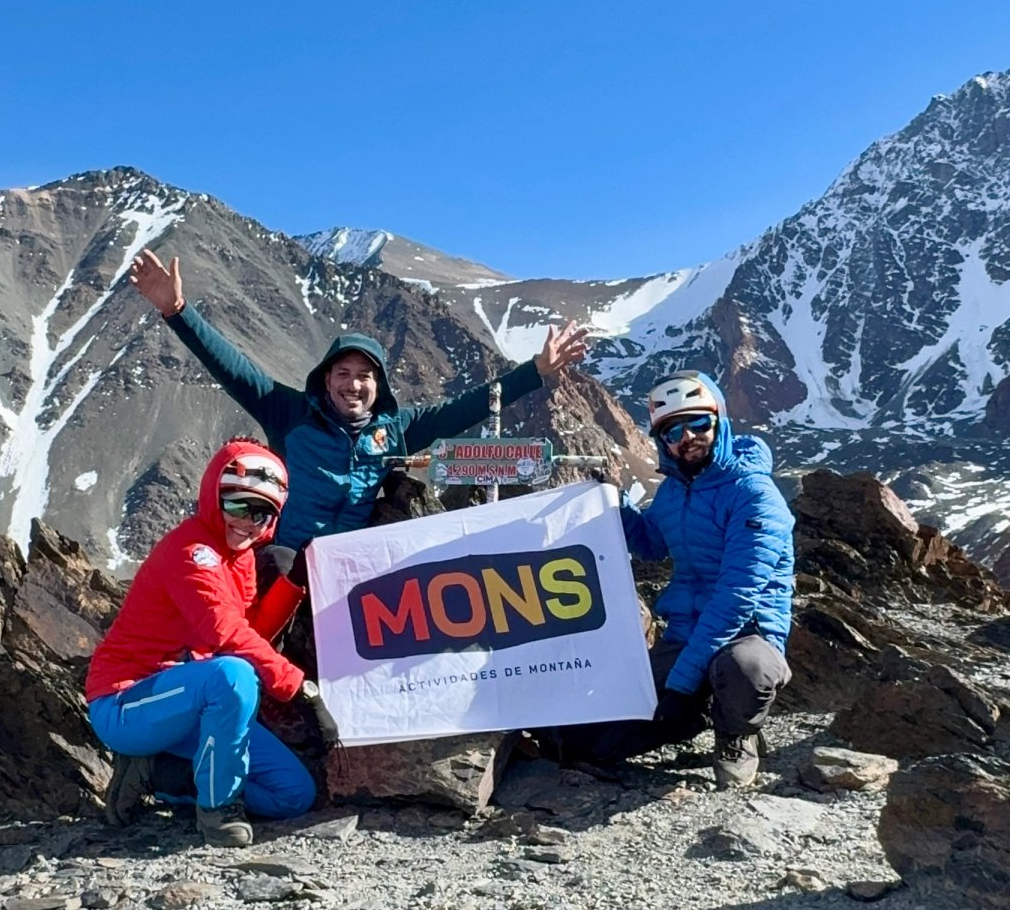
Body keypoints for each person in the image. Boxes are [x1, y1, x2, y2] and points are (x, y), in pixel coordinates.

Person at [129, 247, 589, 552]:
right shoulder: (288, 412)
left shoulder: (396, 428)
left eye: (365, 376)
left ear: (379, 385)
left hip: (351, 569)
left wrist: (537, 372)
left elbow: (465, 408)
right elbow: (232, 368)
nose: (353, 385)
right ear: (325, 379)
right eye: (343, 374)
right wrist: (177, 312)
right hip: (285, 559)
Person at [85, 438, 330, 847]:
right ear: (213, 496)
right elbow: (225, 635)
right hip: (124, 703)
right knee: (233, 676)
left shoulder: (242, 558)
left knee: (293, 795)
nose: (247, 521)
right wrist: (299, 688)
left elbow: (248, 628)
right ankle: (218, 812)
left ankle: (160, 773)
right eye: (237, 505)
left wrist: (293, 583)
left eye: (262, 513)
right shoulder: (191, 553)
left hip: (190, 702)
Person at [566, 369, 794, 790]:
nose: (687, 437)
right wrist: (613, 503)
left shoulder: (755, 494)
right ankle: (694, 715)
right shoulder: (675, 491)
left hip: (748, 634)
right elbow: (653, 544)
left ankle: (736, 734)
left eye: (698, 423)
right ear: (662, 440)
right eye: (673, 430)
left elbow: (736, 598)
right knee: (587, 740)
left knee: (746, 669)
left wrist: (683, 682)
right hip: (685, 635)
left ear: (719, 420)